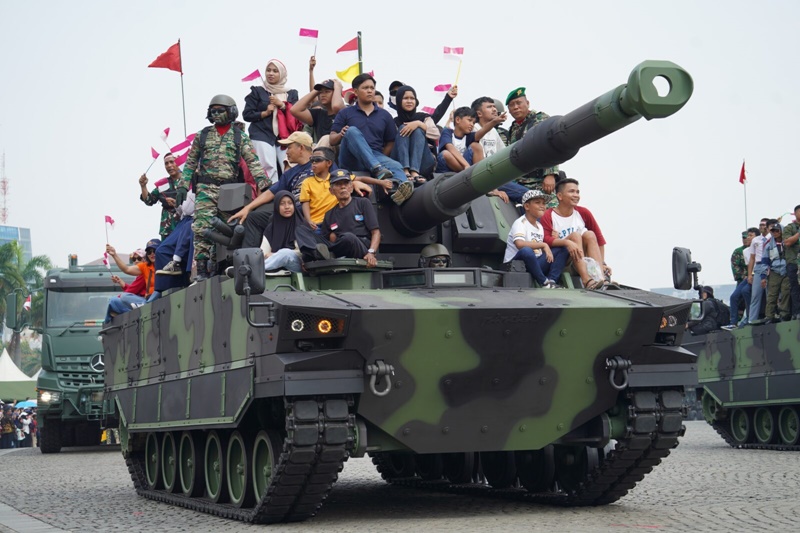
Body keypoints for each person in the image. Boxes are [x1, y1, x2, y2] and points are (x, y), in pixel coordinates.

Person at [177, 94, 271, 281]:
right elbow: (190, 163)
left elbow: (252, 161)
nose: (217, 114)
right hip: (205, 187)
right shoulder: (202, 136)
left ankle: (222, 267)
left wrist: (263, 182)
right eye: (213, 111)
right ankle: (203, 270)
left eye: (221, 111)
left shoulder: (239, 137)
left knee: (228, 230)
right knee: (201, 228)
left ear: (232, 112)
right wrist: (182, 186)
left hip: (229, 191)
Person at [329, 73, 413, 206]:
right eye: (365, 88)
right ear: (355, 92)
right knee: (351, 131)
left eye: (372, 88)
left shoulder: (385, 115)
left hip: (376, 155)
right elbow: (332, 140)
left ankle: (401, 189)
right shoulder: (345, 112)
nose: (370, 91)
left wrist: (378, 158)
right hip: (352, 158)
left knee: (396, 165)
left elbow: (391, 141)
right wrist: (341, 134)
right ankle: (377, 169)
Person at [540, 178, 611, 290]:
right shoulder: (549, 215)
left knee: (590, 234)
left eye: (577, 192)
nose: (576, 195)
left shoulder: (583, 213)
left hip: (585, 259)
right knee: (575, 236)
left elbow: (599, 240)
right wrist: (567, 242)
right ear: (560, 196)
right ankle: (587, 280)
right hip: (564, 261)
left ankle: (601, 279)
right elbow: (546, 240)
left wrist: (602, 263)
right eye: (571, 191)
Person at [243, 59, 300, 181]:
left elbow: (297, 114)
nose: (271, 73)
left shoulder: (291, 93)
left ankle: (289, 198)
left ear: (282, 74)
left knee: (289, 166)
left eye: (275, 71)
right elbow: (247, 115)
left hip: (285, 137)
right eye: (268, 70)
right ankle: (270, 198)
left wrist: (283, 105)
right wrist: (265, 113)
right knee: (268, 169)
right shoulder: (257, 91)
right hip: (262, 134)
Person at [503, 190, 569, 288]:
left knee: (564, 248)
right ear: (527, 206)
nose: (542, 206)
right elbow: (519, 244)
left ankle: (552, 280)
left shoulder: (539, 226)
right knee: (526, 251)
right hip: (516, 265)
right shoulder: (520, 223)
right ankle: (544, 282)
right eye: (537, 203)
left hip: (535, 263)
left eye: (543, 203)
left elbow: (539, 250)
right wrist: (543, 245)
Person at [471, 96, 528, 204]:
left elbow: (504, 155)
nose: (494, 109)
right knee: (528, 196)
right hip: (482, 178)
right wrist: (493, 189)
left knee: (531, 196)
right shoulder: (474, 129)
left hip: (495, 178)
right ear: (479, 114)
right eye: (489, 107)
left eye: (494, 106)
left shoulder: (493, 132)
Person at [317, 169, 381, 266]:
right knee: (302, 231)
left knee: (348, 237)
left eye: (346, 183)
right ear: (331, 191)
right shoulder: (329, 214)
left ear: (351, 187)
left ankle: (331, 254)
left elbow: (376, 233)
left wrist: (371, 252)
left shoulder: (363, 203)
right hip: (340, 248)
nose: (343, 187)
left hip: (361, 247)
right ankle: (318, 256)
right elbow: (325, 240)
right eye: (338, 184)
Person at [506, 87, 559, 196]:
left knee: (547, 210)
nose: (516, 107)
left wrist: (550, 174)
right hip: (520, 181)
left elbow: (552, 146)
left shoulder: (540, 119)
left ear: (527, 103)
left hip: (540, 180)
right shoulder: (513, 128)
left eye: (518, 103)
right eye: (512, 105)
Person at [392, 85, 441, 183]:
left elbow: (436, 134)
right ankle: (405, 170)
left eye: (412, 98)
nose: (409, 101)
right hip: (399, 162)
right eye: (405, 98)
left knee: (418, 130)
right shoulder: (394, 121)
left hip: (424, 163)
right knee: (402, 127)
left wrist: (418, 124)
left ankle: (414, 171)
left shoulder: (424, 117)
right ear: (398, 101)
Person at [104, 239, 160, 322]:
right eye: (149, 252)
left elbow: (131, 291)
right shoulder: (145, 267)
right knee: (115, 300)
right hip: (145, 300)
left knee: (117, 300)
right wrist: (114, 255)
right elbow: (126, 269)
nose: (152, 254)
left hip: (157, 300)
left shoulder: (165, 264)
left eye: (154, 251)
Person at [291, 78, 345, 148]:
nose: (323, 95)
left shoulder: (346, 111)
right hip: (321, 153)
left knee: (326, 138)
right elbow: (294, 110)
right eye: (321, 92)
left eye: (327, 91)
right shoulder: (319, 114)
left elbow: (336, 106)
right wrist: (316, 91)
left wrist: (338, 87)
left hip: (340, 153)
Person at [139, 152, 182, 239]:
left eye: (172, 162)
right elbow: (148, 200)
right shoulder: (163, 184)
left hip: (184, 227)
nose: (169, 165)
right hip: (167, 231)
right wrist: (143, 186)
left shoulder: (188, 180)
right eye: (166, 163)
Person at [262, 190, 304, 273]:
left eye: (290, 203)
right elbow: (263, 253)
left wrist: (275, 255)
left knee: (286, 254)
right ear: (277, 206)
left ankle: (252, 270)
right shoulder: (271, 228)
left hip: (298, 266)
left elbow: (302, 252)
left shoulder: (301, 225)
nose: (287, 207)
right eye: (282, 204)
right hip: (276, 267)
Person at [436, 107, 484, 173]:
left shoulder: (469, 136)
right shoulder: (448, 132)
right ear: (458, 120)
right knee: (445, 153)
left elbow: (483, 131)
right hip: (447, 168)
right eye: (469, 120)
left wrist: (494, 121)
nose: (472, 124)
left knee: (476, 146)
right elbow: (450, 147)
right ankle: (470, 174)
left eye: (473, 122)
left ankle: (478, 174)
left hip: (465, 167)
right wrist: (466, 165)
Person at [725, 228, 757, 328]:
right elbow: (735, 267)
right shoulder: (738, 251)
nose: (746, 239)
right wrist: (745, 276)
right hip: (743, 279)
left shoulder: (757, 247)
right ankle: (734, 322)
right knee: (735, 298)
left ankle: (750, 317)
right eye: (744, 237)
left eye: (748, 236)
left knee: (746, 294)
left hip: (755, 276)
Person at [762, 223, 790, 322]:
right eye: (773, 231)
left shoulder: (787, 242)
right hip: (774, 272)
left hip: (786, 270)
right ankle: (769, 315)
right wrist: (763, 277)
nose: (775, 233)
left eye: (777, 230)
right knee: (772, 295)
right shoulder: (768, 245)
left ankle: (784, 314)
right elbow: (764, 261)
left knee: (786, 292)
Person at [746, 218, 771, 324]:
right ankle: (752, 320)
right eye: (760, 225)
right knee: (755, 295)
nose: (762, 227)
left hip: (770, 266)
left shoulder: (772, 238)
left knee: (770, 294)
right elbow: (752, 258)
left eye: (764, 225)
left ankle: (770, 317)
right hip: (758, 266)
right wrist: (749, 274)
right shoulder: (756, 240)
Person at [782, 205, 800, 318]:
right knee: (795, 288)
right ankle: (796, 312)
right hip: (794, 262)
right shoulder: (790, 227)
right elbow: (787, 242)